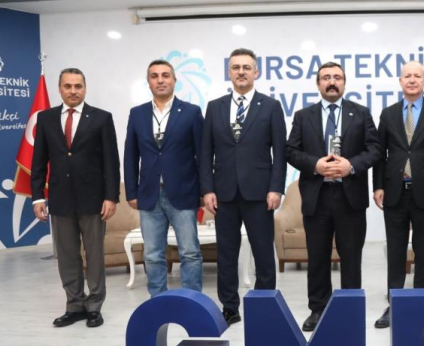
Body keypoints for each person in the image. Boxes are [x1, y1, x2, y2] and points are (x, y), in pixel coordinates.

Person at [286, 61, 382, 332]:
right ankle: (318, 309)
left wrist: (351, 165)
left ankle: (349, 310)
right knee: (317, 257)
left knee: (351, 257)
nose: (332, 82)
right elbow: (291, 151)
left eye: (337, 77)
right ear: (318, 84)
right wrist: (315, 165)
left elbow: (375, 149)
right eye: (326, 77)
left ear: (344, 83)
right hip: (316, 197)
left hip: (349, 197)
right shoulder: (303, 116)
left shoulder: (360, 113)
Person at [200, 48, 286, 327]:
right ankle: (229, 307)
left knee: (263, 252)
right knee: (226, 254)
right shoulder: (215, 107)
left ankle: (265, 304)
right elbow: (206, 152)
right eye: (236, 67)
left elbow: (280, 152)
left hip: (260, 193)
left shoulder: (271, 106)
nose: (241, 72)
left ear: (256, 72)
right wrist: (207, 190)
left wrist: (276, 188)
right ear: (229, 72)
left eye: (246, 67)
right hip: (223, 193)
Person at [31, 68, 120, 328]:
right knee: (67, 256)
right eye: (68, 86)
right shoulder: (45, 118)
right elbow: (39, 160)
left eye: (78, 86)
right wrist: (37, 197)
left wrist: (111, 197)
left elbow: (111, 161)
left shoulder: (102, 118)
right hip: (60, 200)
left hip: (93, 200)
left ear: (85, 88)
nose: (73, 91)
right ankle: (74, 306)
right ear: (60, 89)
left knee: (94, 256)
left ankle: (94, 307)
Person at [372, 61, 424, 329]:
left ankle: (423, 308)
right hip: (394, 193)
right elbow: (379, 155)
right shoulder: (388, 114)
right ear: (400, 81)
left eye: (417, 76)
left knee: (423, 252)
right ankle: (394, 305)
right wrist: (378, 186)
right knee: (395, 252)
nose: (412, 80)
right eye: (407, 76)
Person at [124, 59, 204, 297]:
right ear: (148, 82)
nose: (160, 80)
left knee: (190, 253)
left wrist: (203, 191)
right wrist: (131, 192)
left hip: (184, 193)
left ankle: (192, 301)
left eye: (165, 75)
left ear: (174, 80)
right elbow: (130, 155)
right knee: (152, 255)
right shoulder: (137, 114)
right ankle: (158, 302)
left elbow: (202, 155)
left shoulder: (191, 112)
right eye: (155, 76)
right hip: (149, 195)